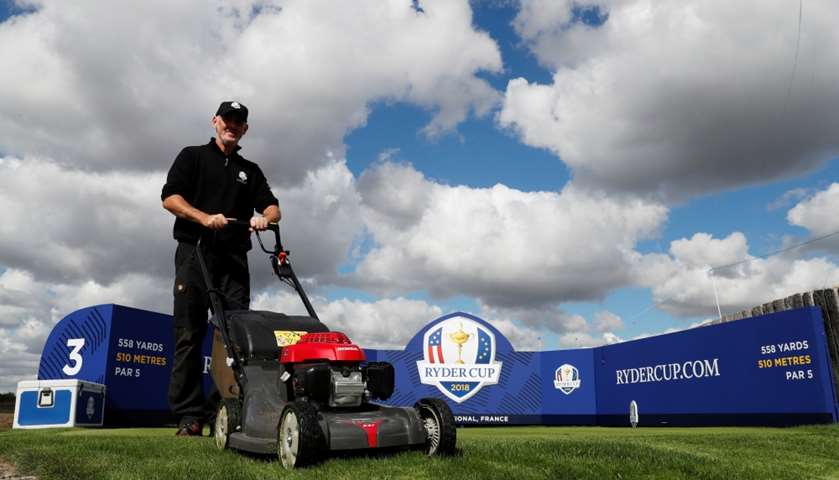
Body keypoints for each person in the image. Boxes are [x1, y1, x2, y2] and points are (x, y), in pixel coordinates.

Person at [161, 101, 280, 436]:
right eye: (227, 119)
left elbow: (273, 207)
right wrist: (203, 218)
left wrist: (263, 218)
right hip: (195, 253)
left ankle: (224, 411)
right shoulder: (193, 156)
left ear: (245, 129)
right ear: (215, 121)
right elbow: (170, 198)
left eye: (238, 122)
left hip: (233, 260)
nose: (232, 125)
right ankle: (189, 416)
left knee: (235, 339)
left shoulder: (250, 170)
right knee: (189, 334)